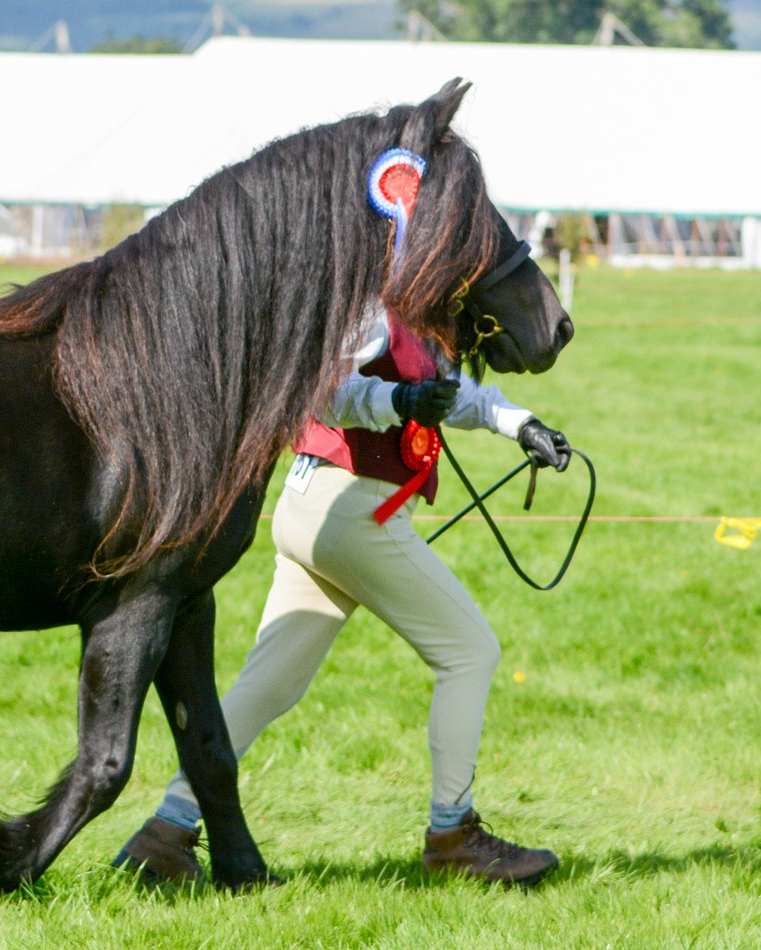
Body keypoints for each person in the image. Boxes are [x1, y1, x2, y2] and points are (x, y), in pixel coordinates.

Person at [115, 304, 574, 887]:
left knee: (269, 684)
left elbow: (448, 396)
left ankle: (166, 831)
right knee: (471, 651)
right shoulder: (373, 307)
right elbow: (320, 388)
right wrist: (396, 403)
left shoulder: (415, 312)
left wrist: (521, 424)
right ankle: (453, 835)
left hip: (312, 504)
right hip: (351, 511)